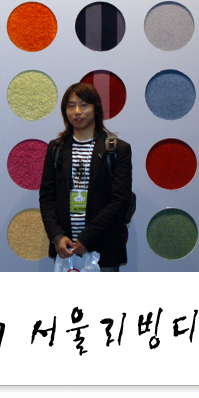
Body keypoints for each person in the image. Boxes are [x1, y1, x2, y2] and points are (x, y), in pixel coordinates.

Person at [38, 82, 133, 272]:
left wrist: (87, 238)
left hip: (104, 250)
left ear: (96, 108)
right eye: (71, 106)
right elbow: (47, 197)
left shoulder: (118, 149)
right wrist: (56, 235)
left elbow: (120, 201)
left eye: (84, 105)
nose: (77, 111)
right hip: (65, 249)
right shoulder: (56, 148)